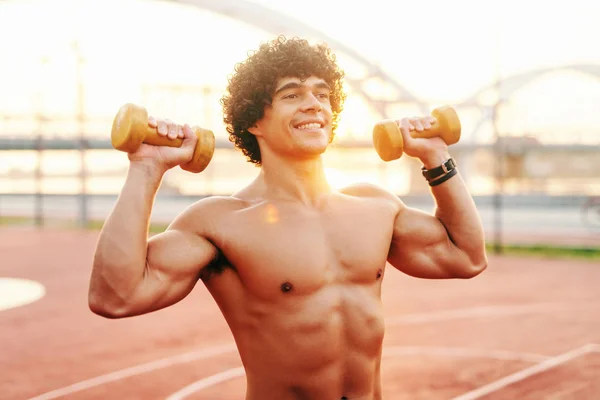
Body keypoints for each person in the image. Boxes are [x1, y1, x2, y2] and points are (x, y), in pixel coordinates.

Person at [89, 35, 488, 400]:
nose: (314, 104)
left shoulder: (375, 207)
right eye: (292, 95)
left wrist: (437, 157)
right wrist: (146, 168)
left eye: (322, 93)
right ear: (253, 121)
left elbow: (466, 256)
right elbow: (116, 296)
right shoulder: (220, 224)